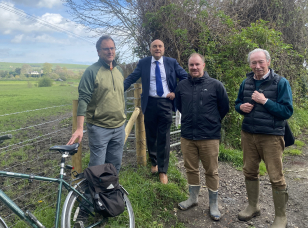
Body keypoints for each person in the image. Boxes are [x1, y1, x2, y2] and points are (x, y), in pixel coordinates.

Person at [235, 48, 293, 228]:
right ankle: (253, 206)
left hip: (271, 137)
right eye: (254, 63)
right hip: (248, 134)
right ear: (250, 64)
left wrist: (264, 101)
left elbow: (287, 111)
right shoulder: (246, 82)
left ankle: (281, 217)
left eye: (261, 62)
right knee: (250, 171)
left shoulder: (281, 83)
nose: (257, 66)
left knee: (276, 177)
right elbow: (237, 103)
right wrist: (240, 108)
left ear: (268, 62)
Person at [124, 39, 187, 184]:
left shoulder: (172, 62)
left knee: (163, 137)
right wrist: (118, 89)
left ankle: (163, 171)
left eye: (160, 46)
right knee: (151, 135)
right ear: (150, 49)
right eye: (154, 46)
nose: (157, 48)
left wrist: (176, 92)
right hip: (150, 103)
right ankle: (154, 162)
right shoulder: (144, 63)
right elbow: (132, 78)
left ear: (163, 49)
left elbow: (184, 77)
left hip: (166, 103)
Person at [175, 53, 229, 221]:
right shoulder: (181, 86)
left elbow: (224, 108)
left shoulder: (216, 85)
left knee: (211, 171)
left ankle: (213, 204)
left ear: (204, 65)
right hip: (188, 136)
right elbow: (179, 106)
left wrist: (209, 121)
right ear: (188, 66)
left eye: (197, 64)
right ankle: (193, 198)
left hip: (209, 136)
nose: (194, 68)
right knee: (191, 168)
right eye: (191, 65)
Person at [67, 35, 126, 173]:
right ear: (98, 52)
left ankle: (110, 193)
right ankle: (92, 194)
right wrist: (80, 128)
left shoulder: (120, 70)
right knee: (97, 167)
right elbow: (83, 100)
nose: (110, 51)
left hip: (119, 127)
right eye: (106, 49)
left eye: (112, 48)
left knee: (115, 166)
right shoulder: (91, 72)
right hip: (99, 128)